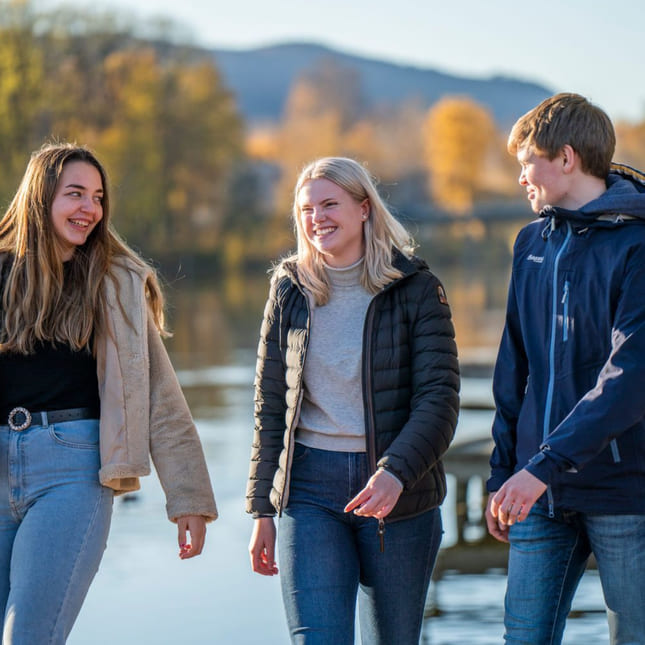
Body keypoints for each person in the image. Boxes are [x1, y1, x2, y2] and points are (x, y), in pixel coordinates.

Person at [0, 142, 218, 643]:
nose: (89, 209)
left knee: (27, 636)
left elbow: (159, 395)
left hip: (72, 470)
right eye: (75, 194)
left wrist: (188, 497)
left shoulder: (113, 282)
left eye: (97, 197)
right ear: (40, 198)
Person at [246, 156, 459, 644]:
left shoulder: (417, 289)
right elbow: (270, 406)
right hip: (309, 491)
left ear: (364, 208)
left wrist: (396, 473)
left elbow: (439, 399)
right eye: (306, 208)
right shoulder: (288, 290)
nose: (317, 217)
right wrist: (262, 508)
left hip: (398, 493)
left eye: (329, 204)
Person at [485, 93, 645, 644]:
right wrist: (504, 470)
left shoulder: (639, 243)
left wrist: (542, 465)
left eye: (526, 161)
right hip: (536, 492)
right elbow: (514, 367)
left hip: (625, 492)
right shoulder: (531, 242)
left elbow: (631, 374)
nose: (521, 177)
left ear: (567, 158)